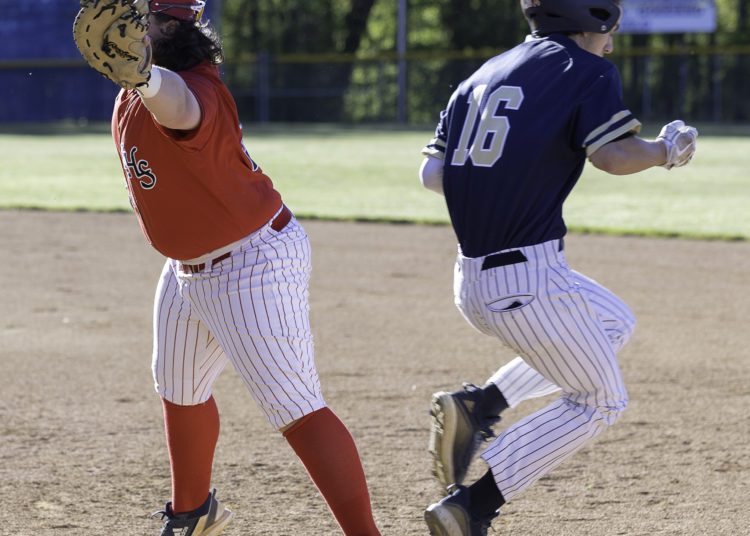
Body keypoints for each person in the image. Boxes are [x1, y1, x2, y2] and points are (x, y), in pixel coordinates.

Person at [78, 1, 382, 534]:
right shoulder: (134, 92)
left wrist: (146, 76)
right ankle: (193, 513)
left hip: (249, 263)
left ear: (171, 26)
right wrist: (141, 77)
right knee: (178, 385)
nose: (125, 29)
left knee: (295, 408)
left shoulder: (197, 90)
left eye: (140, 18)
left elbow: (179, 109)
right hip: (186, 267)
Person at [418, 1, 698, 534]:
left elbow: (432, 174)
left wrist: (504, 178)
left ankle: (480, 406)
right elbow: (614, 155)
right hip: (527, 281)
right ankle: (472, 506)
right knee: (600, 401)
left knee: (613, 321)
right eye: (611, 29)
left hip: (473, 277)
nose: (611, 42)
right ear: (590, 19)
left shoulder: (483, 73)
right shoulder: (585, 69)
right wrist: (667, 150)